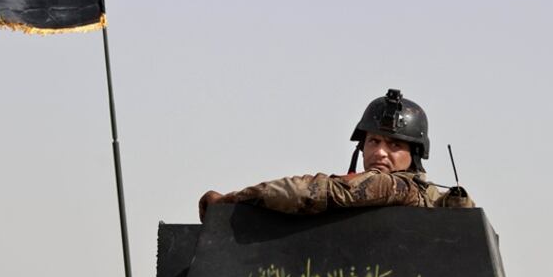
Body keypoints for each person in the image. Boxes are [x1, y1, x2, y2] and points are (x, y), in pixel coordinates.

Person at [199, 89, 474, 219]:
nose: (380, 152)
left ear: (414, 155)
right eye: (374, 141)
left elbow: (312, 192)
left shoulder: (395, 187)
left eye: (393, 146)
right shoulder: (431, 199)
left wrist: (230, 200)